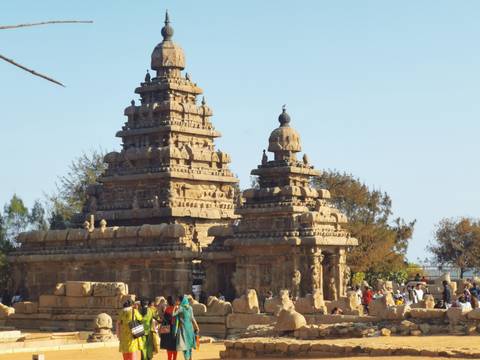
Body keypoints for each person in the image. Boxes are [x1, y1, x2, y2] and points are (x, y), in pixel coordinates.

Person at [173, 295, 200, 360]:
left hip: (183, 329)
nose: (178, 302)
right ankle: (190, 358)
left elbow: (173, 314)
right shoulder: (190, 308)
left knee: (184, 346)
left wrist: (175, 307)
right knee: (189, 345)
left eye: (179, 301)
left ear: (181, 301)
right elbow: (192, 318)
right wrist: (197, 327)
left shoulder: (181, 308)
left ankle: (187, 358)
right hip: (190, 329)